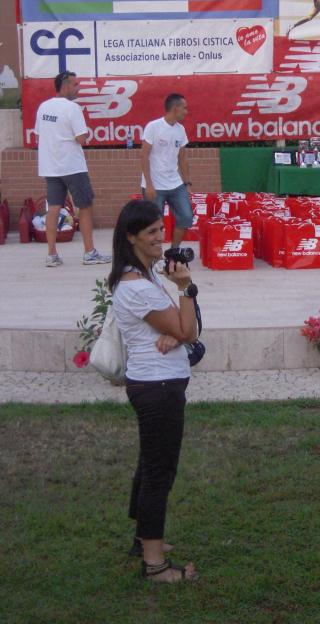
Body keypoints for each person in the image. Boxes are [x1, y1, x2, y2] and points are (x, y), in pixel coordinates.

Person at [109, 199, 199, 583]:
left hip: (156, 381)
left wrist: (175, 332)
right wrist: (185, 289)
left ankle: (143, 537)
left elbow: (181, 330)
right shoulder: (137, 286)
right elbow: (189, 330)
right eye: (151, 234)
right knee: (160, 470)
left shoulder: (143, 277)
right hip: (157, 385)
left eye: (161, 230)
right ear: (131, 237)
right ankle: (155, 563)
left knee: (149, 465)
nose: (160, 239)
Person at [33, 71, 110, 267]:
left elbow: (39, 134)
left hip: (50, 167)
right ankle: (89, 252)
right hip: (72, 166)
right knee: (84, 206)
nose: (78, 88)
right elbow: (81, 138)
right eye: (75, 85)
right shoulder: (72, 108)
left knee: (54, 208)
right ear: (65, 86)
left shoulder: (43, 107)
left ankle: (52, 255)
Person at [141, 94, 194, 248]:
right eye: (184, 108)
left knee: (186, 217)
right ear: (175, 108)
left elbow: (183, 158)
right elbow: (143, 155)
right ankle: (153, 258)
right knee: (153, 224)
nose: (186, 111)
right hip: (155, 185)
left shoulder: (180, 129)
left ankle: (173, 251)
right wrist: (149, 184)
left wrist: (187, 183)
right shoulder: (153, 126)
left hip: (176, 184)